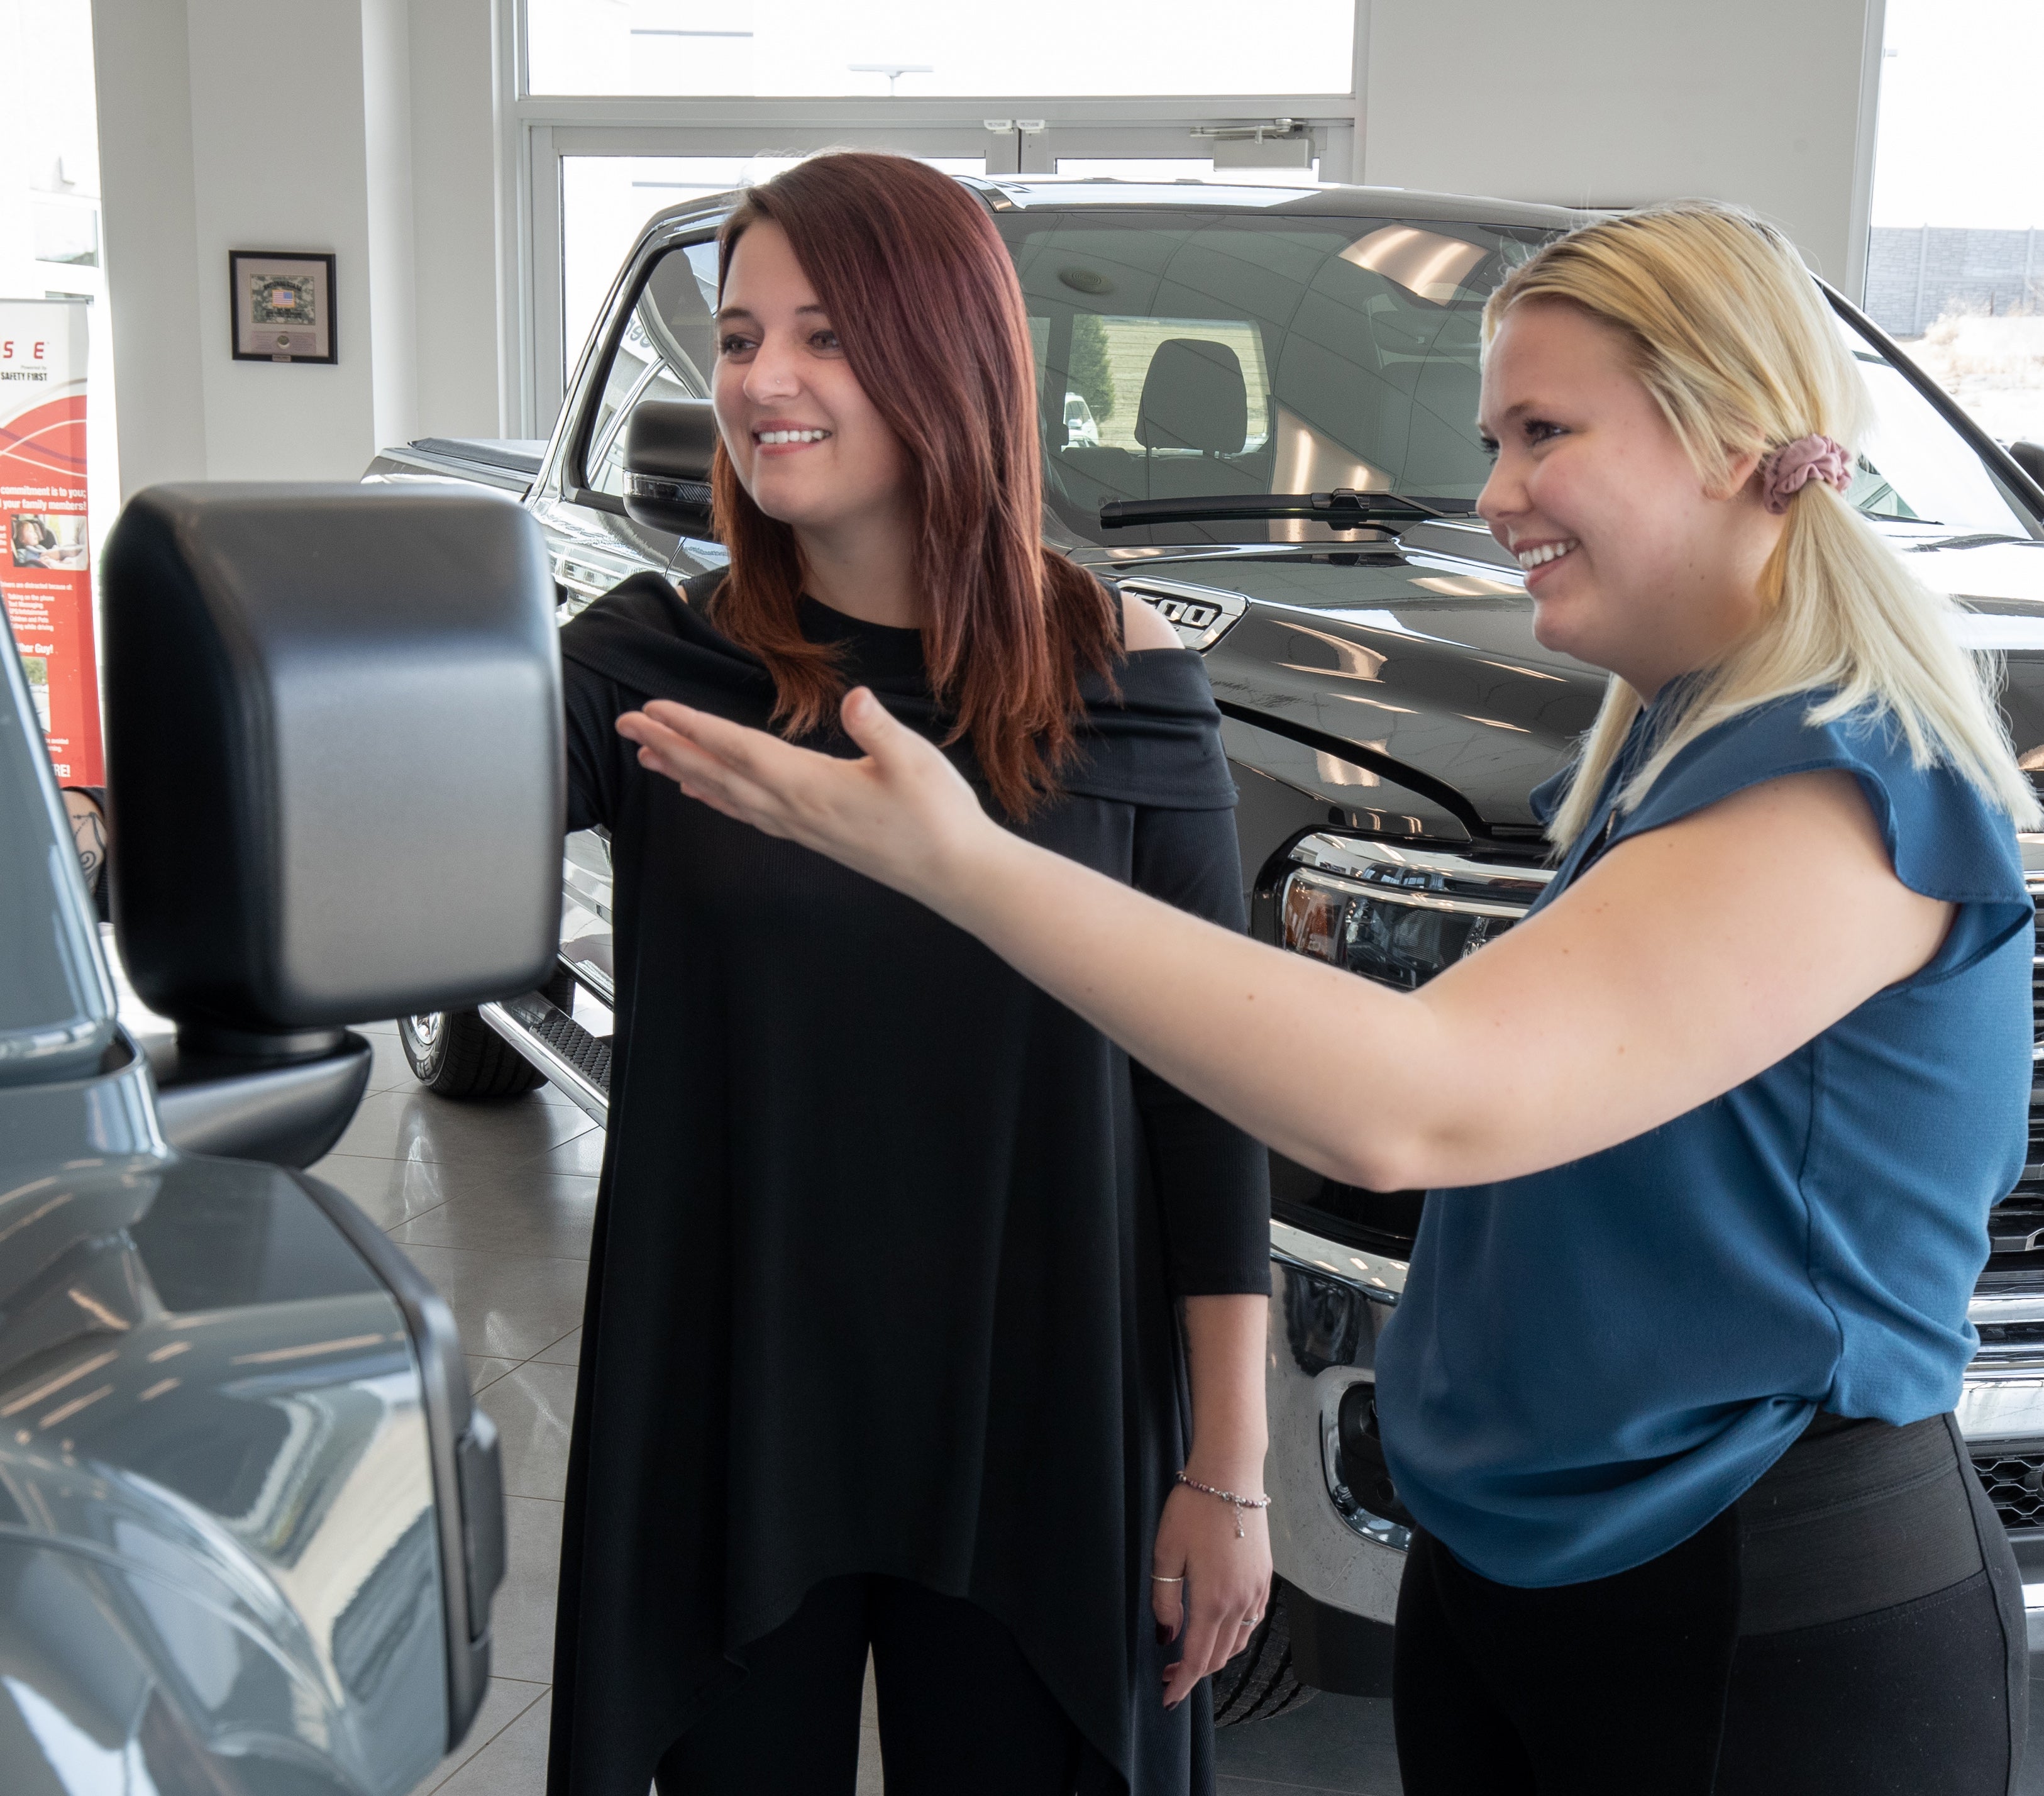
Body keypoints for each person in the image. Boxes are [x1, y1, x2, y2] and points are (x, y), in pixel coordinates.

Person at [619, 201, 2040, 1796]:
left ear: (1728, 439)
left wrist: (958, 860)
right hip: (1536, 1568)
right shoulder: (1671, 738)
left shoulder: (1844, 790)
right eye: (1494, 436)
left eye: (1542, 436)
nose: (1493, 497)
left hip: (1752, 1610)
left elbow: (1411, 1103)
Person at [548, 153, 1273, 1796]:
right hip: (739, 1398)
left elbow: (1207, 1092)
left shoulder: (1123, 681)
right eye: (735, 339)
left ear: (946, 355)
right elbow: (410, 804)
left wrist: (1226, 1466)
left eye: (822, 334)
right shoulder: (655, 663)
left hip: (1043, 1396)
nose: (762, 381)